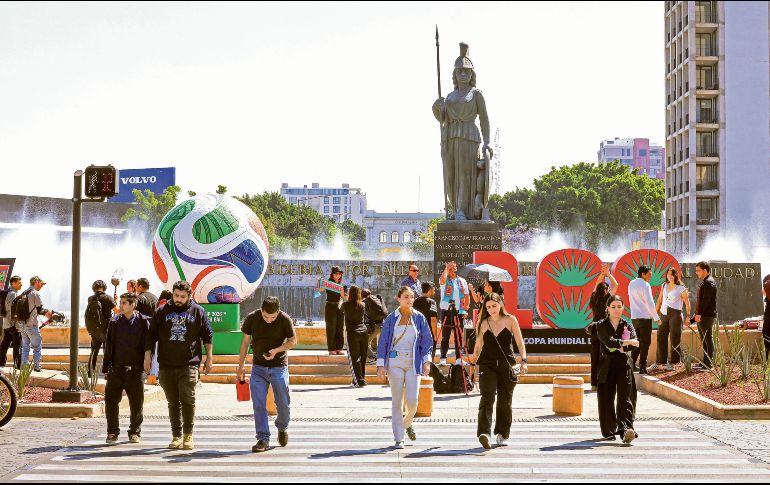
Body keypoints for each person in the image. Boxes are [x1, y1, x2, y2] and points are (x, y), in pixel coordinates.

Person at [144, 280, 213, 451]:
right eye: (176, 295)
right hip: (166, 364)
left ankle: (188, 435)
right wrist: (148, 357)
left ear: (189, 296)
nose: (179, 299)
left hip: (189, 364)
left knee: (187, 398)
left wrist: (209, 358)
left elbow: (207, 336)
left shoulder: (198, 311)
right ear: (172, 294)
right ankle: (176, 436)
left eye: (182, 296)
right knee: (173, 402)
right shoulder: (161, 311)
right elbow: (151, 336)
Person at [432, 42, 493, 221]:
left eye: (467, 71)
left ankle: (461, 210)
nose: (463, 74)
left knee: (464, 175)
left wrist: (488, 142)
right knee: (450, 176)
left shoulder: (476, 94)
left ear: (472, 74)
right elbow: (443, 121)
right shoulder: (449, 97)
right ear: (455, 74)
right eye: (460, 71)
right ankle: (454, 207)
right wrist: (437, 109)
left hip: (469, 137)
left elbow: (484, 118)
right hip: (450, 138)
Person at [237, 296, 297, 453]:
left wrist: (276, 351)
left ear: (278, 312)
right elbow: (244, 343)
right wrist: (240, 365)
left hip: (279, 367)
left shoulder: (284, 319)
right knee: (258, 403)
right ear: (261, 310)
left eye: (272, 317)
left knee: (282, 402)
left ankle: (282, 427)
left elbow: (293, 341)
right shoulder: (252, 318)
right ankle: (262, 438)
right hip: (258, 368)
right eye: (265, 316)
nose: (269, 320)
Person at [376, 287, 433, 449]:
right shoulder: (391, 319)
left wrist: (426, 361)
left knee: (413, 401)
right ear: (398, 298)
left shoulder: (419, 318)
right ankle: (399, 437)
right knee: (397, 400)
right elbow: (383, 342)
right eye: (406, 297)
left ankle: (407, 423)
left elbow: (426, 341)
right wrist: (381, 364)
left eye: (412, 297)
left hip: (413, 362)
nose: (409, 299)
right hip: (395, 362)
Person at [472, 292, 528, 449]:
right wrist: (472, 363)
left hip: (507, 364)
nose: (491, 309)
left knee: (505, 399)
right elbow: (478, 346)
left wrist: (524, 360)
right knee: (486, 396)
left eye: (494, 306)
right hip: (487, 364)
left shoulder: (511, 320)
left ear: (501, 304)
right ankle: (484, 433)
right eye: (488, 307)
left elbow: (519, 341)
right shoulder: (483, 323)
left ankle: (502, 433)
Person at [102, 292, 150, 444]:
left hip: (135, 370)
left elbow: (148, 345)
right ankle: (112, 432)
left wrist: (147, 364)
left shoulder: (143, 322)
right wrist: (107, 367)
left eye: (124, 303)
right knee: (110, 401)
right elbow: (108, 345)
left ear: (132, 305)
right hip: (116, 369)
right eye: (121, 302)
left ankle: (134, 432)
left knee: (136, 403)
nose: (121, 305)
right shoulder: (114, 322)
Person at [596, 295, 640, 444]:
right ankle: (608, 430)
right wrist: (625, 343)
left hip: (624, 364)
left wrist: (619, 345)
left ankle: (626, 429)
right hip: (607, 365)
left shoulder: (627, 325)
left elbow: (635, 343)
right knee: (606, 398)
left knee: (625, 398)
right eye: (613, 307)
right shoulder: (601, 325)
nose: (616, 310)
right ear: (607, 308)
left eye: (619, 307)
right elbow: (607, 341)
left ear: (623, 308)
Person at [586, 264, 618, 390]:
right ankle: (602, 382)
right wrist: (608, 274)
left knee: (594, 356)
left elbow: (596, 285)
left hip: (594, 328)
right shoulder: (607, 298)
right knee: (604, 356)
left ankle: (594, 384)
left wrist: (602, 274)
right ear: (606, 290)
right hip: (604, 328)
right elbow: (616, 285)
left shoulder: (594, 297)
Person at [654, 268, 691, 371]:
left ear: (675, 276)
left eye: (671, 274)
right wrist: (655, 314)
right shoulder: (664, 285)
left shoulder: (681, 288)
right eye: (668, 274)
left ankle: (673, 362)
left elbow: (687, 304)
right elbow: (659, 301)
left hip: (675, 314)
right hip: (664, 314)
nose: (669, 276)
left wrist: (688, 316)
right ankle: (660, 362)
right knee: (661, 337)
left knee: (675, 338)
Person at [628, 266, 661, 374]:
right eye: (649, 274)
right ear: (643, 274)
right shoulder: (645, 284)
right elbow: (650, 303)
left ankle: (631, 363)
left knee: (638, 341)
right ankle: (642, 366)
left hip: (634, 317)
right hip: (645, 318)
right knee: (645, 342)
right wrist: (656, 317)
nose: (650, 277)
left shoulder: (631, 283)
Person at [438, 261, 470, 366]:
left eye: (453, 267)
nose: (451, 269)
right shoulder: (444, 279)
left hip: (459, 311)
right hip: (446, 310)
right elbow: (442, 280)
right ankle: (443, 357)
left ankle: (458, 359)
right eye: (449, 268)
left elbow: (466, 296)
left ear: (456, 268)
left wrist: (466, 309)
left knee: (458, 336)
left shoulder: (461, 281)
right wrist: (446, 268)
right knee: (445, 335)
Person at [84, 280, 117, 378]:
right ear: (104, 287)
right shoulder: (108, 298)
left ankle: (90, 372)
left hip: (95, 330)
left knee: (94, 351)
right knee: (107, 352)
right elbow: (118, 311)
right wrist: (115, 301)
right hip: (106, 329)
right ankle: (107, 373)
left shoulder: (90, 299)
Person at [19, 276, 51, 372]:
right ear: (36, 282)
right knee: (37, 347)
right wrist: (48, 313)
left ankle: (24, 368)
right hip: (31, 325)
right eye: (41, 284)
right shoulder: (35, 293)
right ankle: (37, 367)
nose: (42, 286)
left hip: (22, 326)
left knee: (25, 348)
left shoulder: (24, 293)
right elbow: (39, 309)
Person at [341, 286, 369, 388]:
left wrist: (343, 297)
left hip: (352, 333)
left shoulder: (345, 304)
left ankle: (357, 381)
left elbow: (340, 310)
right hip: (363, 332)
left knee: (354, 358)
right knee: (362, 357)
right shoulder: (363, 305)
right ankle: (361, 379)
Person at [694, 261, 718, 370]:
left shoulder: (709, 282)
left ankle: (709, 364)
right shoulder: (706, 281)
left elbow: (706, 301)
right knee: (704, 339)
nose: (696, 273)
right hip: (703, 316)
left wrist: (698, 314)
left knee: (708, 338)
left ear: (705, 270)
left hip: (706, 316)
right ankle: (705, 362)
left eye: (698, 270)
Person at [319, 266, 346, 356]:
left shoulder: (342, 285)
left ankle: (339, 348)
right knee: (331, 328)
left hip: (340, 306)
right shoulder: (328, 283)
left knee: (340, 328)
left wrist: (343, 293)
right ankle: (331, 349)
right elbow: (318, 292)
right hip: (330, 306)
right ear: (332, 274)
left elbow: (344, 298)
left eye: (339, 273)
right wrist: (319, 284)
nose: (338, 275)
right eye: (336, 273)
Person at [0, 276, 23, 370]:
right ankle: (18, 367)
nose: (21, 284)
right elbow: (14, 311)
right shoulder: (13, 294)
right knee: (17, 346)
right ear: (13, 283)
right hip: (13, 324)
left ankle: (1, 363)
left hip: (6, 324)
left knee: (4, 345)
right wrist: (18, 325)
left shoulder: (6, 293)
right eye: (19, 282)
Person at [413, 282, 439, 360]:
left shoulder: (415, 301)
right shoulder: (432, 302)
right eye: (433, 290)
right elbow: (433, 320)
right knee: (429, 357)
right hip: (428, 333)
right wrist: (435, 335)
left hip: (416, 332)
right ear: (430, 290)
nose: (434, 292)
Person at [362, 288, 388, 363]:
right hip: (382, 323)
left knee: (364, 343)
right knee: (374, 340)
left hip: (374, 325)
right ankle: (377, 355)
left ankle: (373, 357)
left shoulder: (365, 302)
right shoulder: (376, 298)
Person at [762, 274, 770, 358]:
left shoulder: (767, 278)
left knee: (766, 332)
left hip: (769, 308)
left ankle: (766, 357)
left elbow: (764, 292)